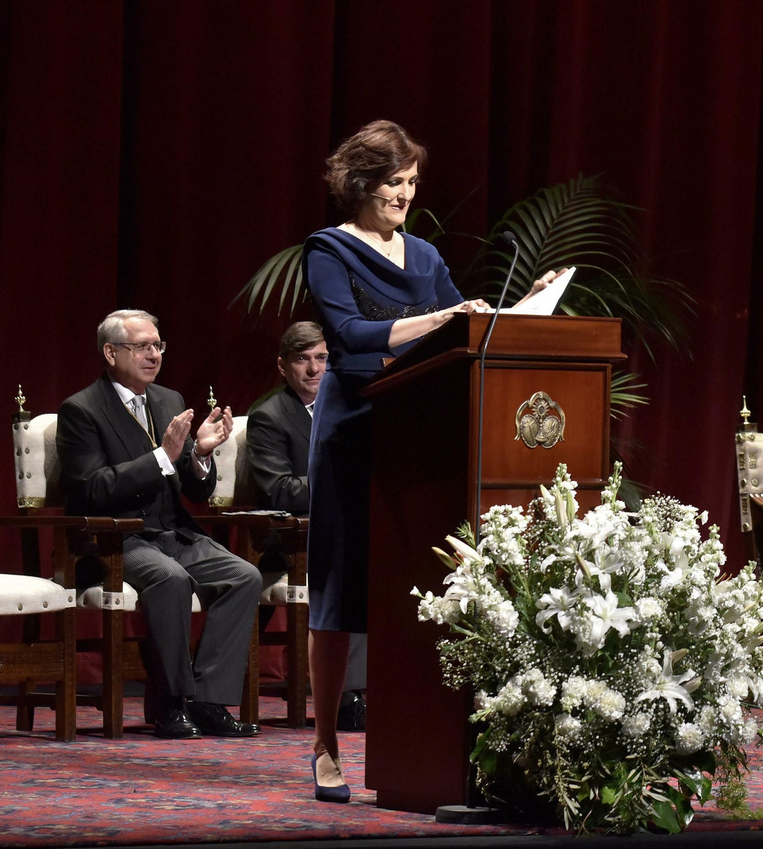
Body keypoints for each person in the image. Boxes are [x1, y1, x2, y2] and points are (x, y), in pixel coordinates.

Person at [302, 120, 559, 802]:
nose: (405, 196)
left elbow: (462, 333)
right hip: (353, 431)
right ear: (361, 183)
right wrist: (445, 320)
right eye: (394, 182)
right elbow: (350, 336)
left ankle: (416, 742)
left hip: (420, 435)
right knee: (339, 592)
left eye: (412, 184)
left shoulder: (425, 255)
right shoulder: (328, 250)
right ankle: (325, 744)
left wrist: (516, 311)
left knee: (417, 590)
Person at [57, 309, 262, 738]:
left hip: (174, 532)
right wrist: (162, 458)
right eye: (142, 347)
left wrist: (201, 454)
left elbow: (195, 490)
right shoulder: (81, 410)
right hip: (116, 539)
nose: (153, 355)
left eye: (157, 346)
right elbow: (91, 489)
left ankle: (208, 700)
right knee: (170, 580)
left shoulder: (168, 400)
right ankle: (171, 704)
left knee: (244, 576)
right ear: (111, 353)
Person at [246, 320, 367, 732]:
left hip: (345, 529)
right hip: (291, 541)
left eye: (322, 359)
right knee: (349, 568)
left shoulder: (355, 406)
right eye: (303, 360)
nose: (314, 369)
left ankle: (371, 692)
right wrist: (343, 484)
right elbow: (279, 490)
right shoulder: (269, 416)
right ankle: (348, 699)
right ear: (283, 366)